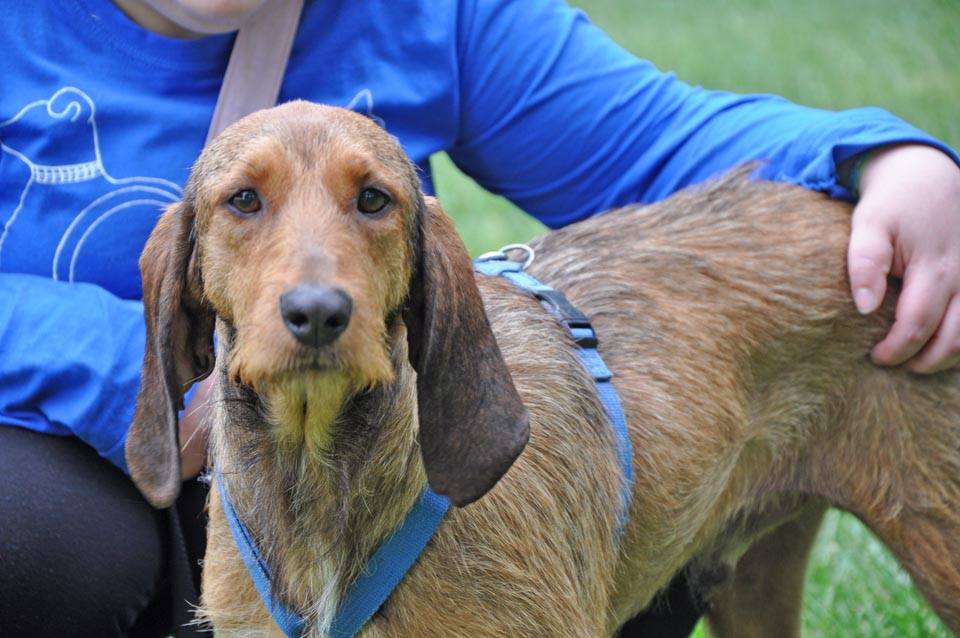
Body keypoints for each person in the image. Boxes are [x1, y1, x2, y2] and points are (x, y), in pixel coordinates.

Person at [1, 1, 957, 636]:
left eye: (372, 203)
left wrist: (887, 156)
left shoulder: (429, 11)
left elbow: (657, 134)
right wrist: (128, 364)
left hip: (437, 467)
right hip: (114, 471)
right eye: (244, 206)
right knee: (30, 533)